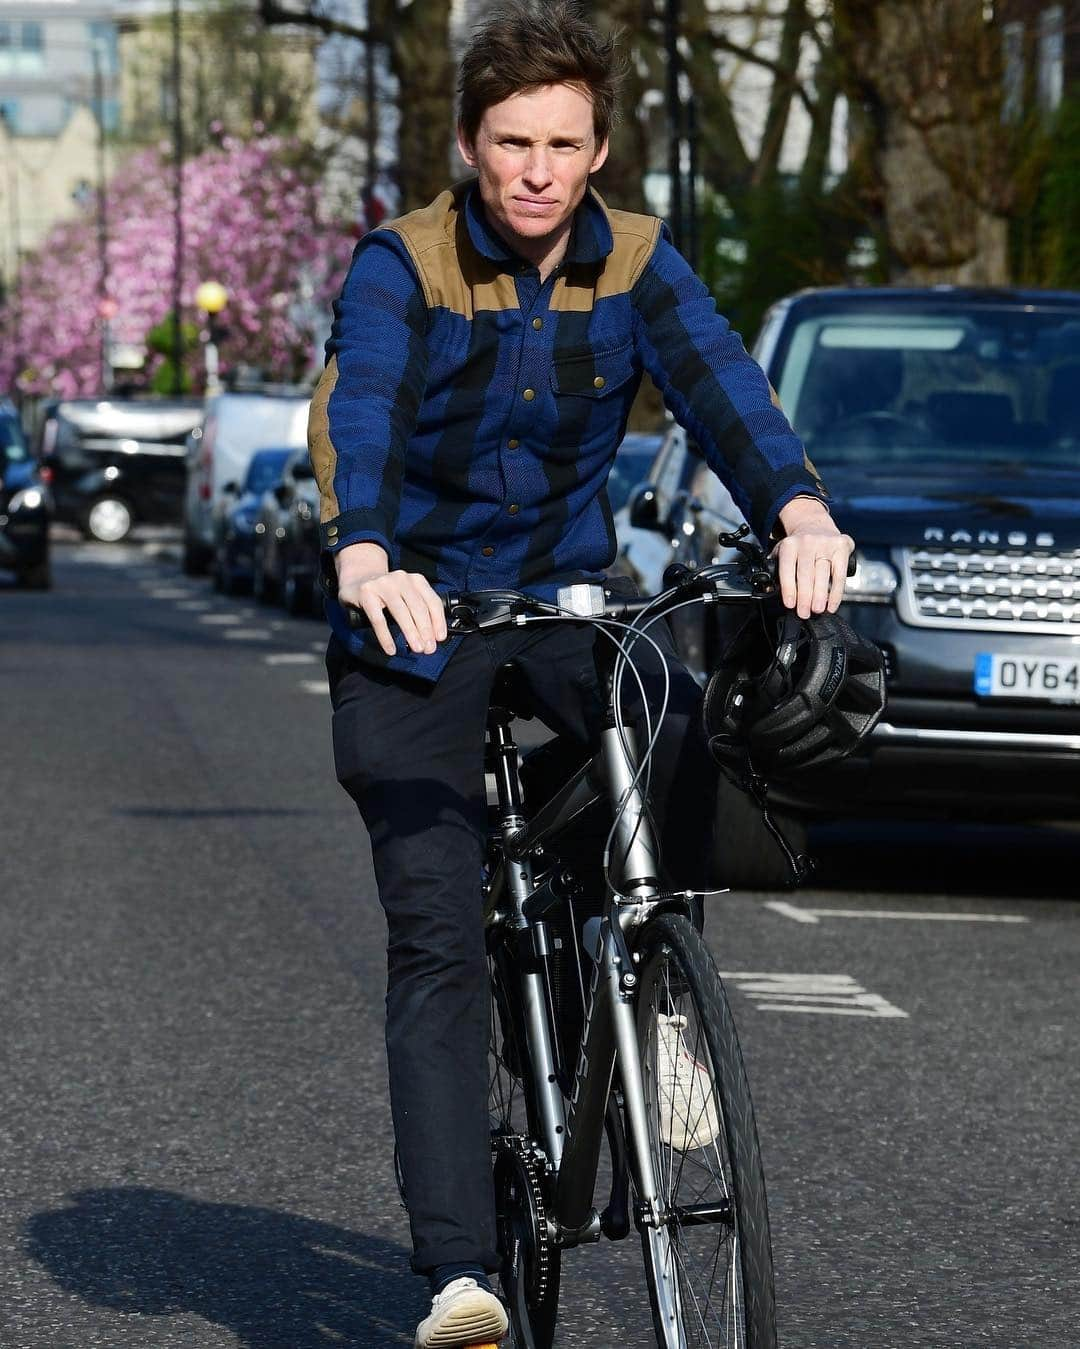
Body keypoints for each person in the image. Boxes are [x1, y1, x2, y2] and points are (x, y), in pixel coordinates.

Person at [308, 3, 853, 1344]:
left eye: (563, 142)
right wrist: (367, 551)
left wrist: (799, 512)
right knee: (437, 937)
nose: (539, 170)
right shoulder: (402, 264)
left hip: (557, 599)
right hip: (416, 614)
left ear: (601, 146)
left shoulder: (641, 263)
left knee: (671, 709)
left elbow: (724, 388)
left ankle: (653, 980)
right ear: (469, 145)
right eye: (512, 143)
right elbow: (359, 404)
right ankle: (459, 1274)